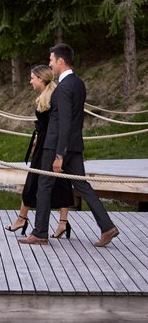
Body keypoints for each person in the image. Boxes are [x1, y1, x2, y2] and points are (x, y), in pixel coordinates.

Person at [20, 44, 119, 247]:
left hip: (58, 147)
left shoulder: (64, 88)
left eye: (51, 60)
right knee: (82, 185)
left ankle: (40, 233)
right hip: (74, 145)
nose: (49, 64)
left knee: (44, 186)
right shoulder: (79, 84)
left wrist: (59, 155)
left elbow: (64, 121)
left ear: (60, 62)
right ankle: (107, 227)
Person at [5, 65, 75, 238]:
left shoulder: (55, 96)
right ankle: (25, 218)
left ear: (41, 79)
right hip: (44, 141)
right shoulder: (45, 96)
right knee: (37, 180)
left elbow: (59, 124)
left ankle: (60, 223)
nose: (30, 81)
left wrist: (59, 151)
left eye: (32, 78)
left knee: (60, 181)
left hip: (51, 145)